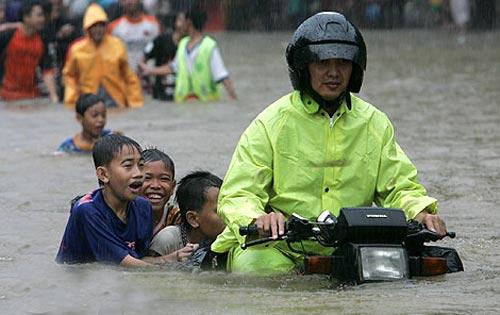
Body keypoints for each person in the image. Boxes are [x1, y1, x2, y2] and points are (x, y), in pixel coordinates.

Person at [210, 12, 448, 275]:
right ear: (304, 67)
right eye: (323, 62)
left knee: (435, 270)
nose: (333, 73)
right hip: (279, 247)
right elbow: (238, 193)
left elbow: (399, 187)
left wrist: (421, 213)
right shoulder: (270, 123)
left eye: (343, 63)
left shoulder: (374, 122)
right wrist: (258, 218)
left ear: (355, 68)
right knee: (258, 272)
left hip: (354, 247)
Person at [55, 134, 181, 266]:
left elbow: (138, 259)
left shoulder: (143, 206)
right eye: (128, 166)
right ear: (103, 175)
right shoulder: (88, 210)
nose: (138, 173)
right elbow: (126, 265)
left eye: (141, 165)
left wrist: (173, 258)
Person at [139, 5, 237, 102]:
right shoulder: (183, 44)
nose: (179, 24)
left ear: (189, 22)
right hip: (183, 104)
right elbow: (172, 67)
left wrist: (234, 99)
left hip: (204, 104)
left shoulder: (209, 46)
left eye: (183, 20)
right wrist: (150, 70)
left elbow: (223, 76)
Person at [62, 3, 143, 109]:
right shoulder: (77, 49)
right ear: (87, 28)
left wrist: (135, 103)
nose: (98, 29)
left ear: (106, 26)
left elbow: (129, 76)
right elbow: (69, 76)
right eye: (94, 26)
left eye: (101, 25)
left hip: (115, 101)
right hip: (88, 102)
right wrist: (72, 101)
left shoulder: (117, 45)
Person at [149, 171, 226, 260]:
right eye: (219, 211)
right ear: (193, 219)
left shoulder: (225, 238)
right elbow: (146, 265)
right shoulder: (168, 239)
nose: (229, 215)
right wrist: (172, 259)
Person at [0, 0, 58, 102]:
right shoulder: (8, 36)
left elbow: (47, 70)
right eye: (39, 16)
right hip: (5, 95)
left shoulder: (43, 40)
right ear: (26, 17)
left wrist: (53, 96)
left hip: (31, 96)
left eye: (43, 16)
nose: (43, 19)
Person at [109, 0, 160, 73]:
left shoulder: (154, 24)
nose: (129, 2)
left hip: (149, 78)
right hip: (124, 79)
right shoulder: (113, 28)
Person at [140, 148, 181, 237]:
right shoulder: (124, 216)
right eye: (147, 178)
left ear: (173, 187)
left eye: (164, 179)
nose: (155, 185)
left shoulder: (177, 217)